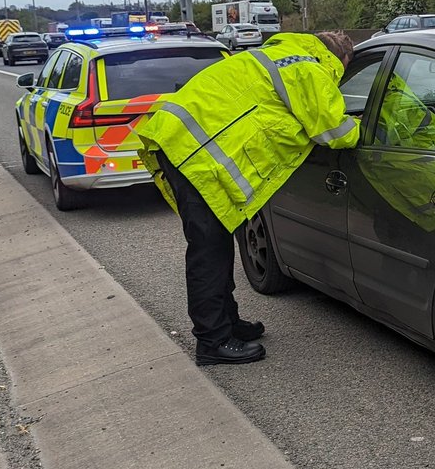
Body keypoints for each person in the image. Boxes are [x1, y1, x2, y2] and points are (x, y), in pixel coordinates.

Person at [137, 30, 359, 366]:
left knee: (217, 243)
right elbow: (332, 131)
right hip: (194, 154)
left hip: (185, 143)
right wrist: (363, 127)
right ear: (340, 59)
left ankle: (227, 324)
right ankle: (212, 341)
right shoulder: (309, 68)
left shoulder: (284, 54)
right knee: (208, 250)